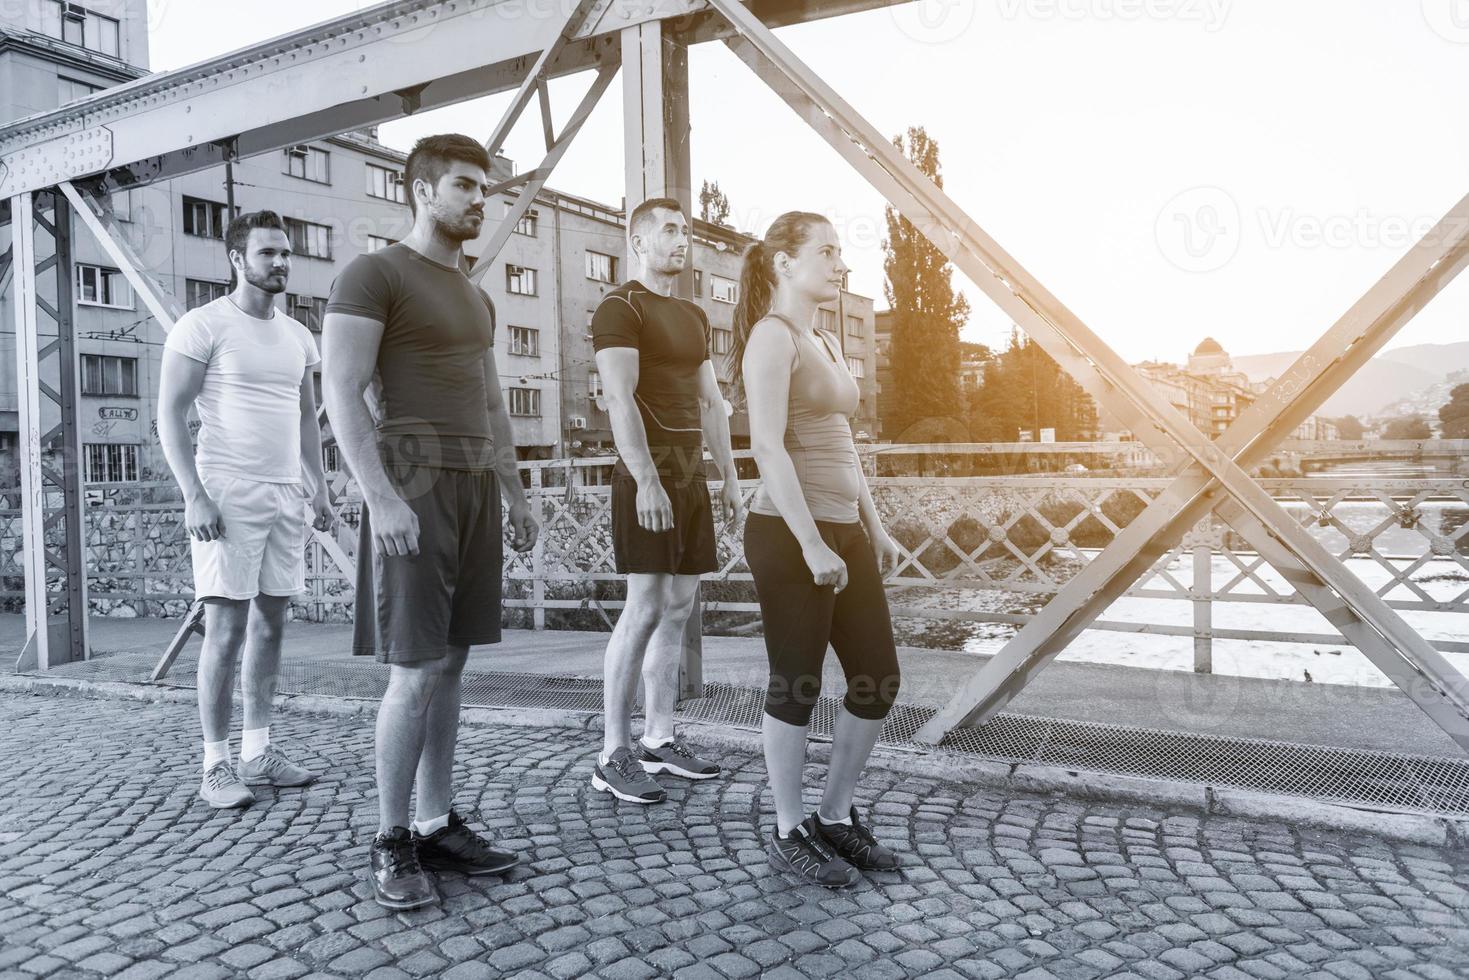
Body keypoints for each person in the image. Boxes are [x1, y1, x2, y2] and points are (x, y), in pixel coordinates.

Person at [322, 134, 539, 910]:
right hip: (411, 482)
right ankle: (390, 840)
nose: (479, 200)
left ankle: (437, 821)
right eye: (464, 186)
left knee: (452, 667)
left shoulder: (477, 295)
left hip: (476, 483)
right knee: (413, 670)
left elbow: (490, 403)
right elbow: (342, 392)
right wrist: (379, 496)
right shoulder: (373, 273)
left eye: (484, 188)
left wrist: (515, 495)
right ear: (420, 191)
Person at [732, 212, 904, 887]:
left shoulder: (826, 338)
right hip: (788, 532)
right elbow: (766, 446)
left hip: (844, 532)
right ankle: (787, 828)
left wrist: (875, 525)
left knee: (876, 678)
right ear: (783, 262)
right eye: (826, 252)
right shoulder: (770, 339)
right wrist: (808, 541)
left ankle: (834, 818)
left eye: (840, 253)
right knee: (797, 682)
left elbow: (842, 445)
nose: (840, 265)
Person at [158, 210, 335, 810]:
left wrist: (320, 487)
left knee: (271, 625)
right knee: (226, 628)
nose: (281, 262)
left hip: (285, 491)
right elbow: (170, 416)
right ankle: (215, 764)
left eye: (285, 252)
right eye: (268, 253)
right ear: (238, 259)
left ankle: (259, 750)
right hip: (226, 492)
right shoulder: (203, 326)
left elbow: (306, 421)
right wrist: (194, 495)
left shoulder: (298, 335)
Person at [590, 197, 742, 804]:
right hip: (645, 472)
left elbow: (711, 404)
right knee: (645, 605)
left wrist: (728, 475)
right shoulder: (619, 307)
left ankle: (659, 737)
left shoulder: (693, 314)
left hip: (690, 473)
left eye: (687, 231)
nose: (684, 240)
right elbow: (620, 400)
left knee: (680, 605)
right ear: (639, 241)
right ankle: (612, 751)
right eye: (671, 231)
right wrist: (646, 479)